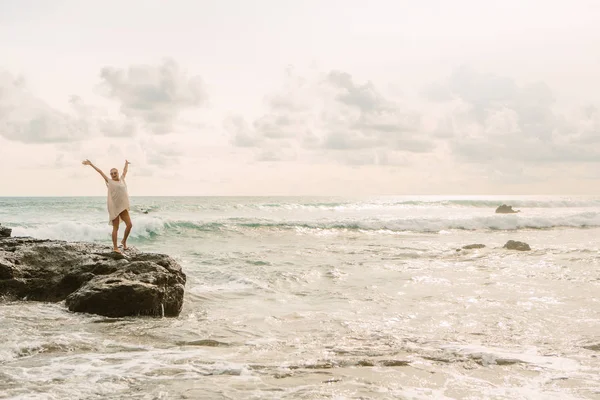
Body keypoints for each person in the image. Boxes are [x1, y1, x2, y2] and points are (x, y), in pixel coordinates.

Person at [82, 159, 133, 253]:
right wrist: (91, 164)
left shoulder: (122, 179)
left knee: (129, 225)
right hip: (114, 207)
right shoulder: (109, 181)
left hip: (122, 207)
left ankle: (124, 241)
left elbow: (125, 171)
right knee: (116, 228)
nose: (113, 174)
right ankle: (115, 247)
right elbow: (100, 171)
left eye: (115, 173)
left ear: (117, 173)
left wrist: (126, 164)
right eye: (112, 173)